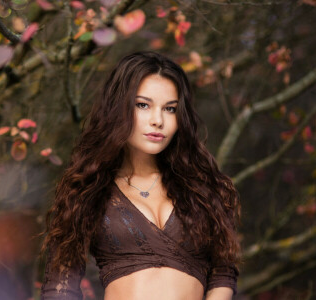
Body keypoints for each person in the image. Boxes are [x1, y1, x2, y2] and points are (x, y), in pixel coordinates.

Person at [40, 51, 241, 300]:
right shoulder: (87, 189)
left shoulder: (204, 188)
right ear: (119, 109)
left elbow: (223, 273)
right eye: (143, 105)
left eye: (170, 109)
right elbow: (59, 288)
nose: (158, 120)